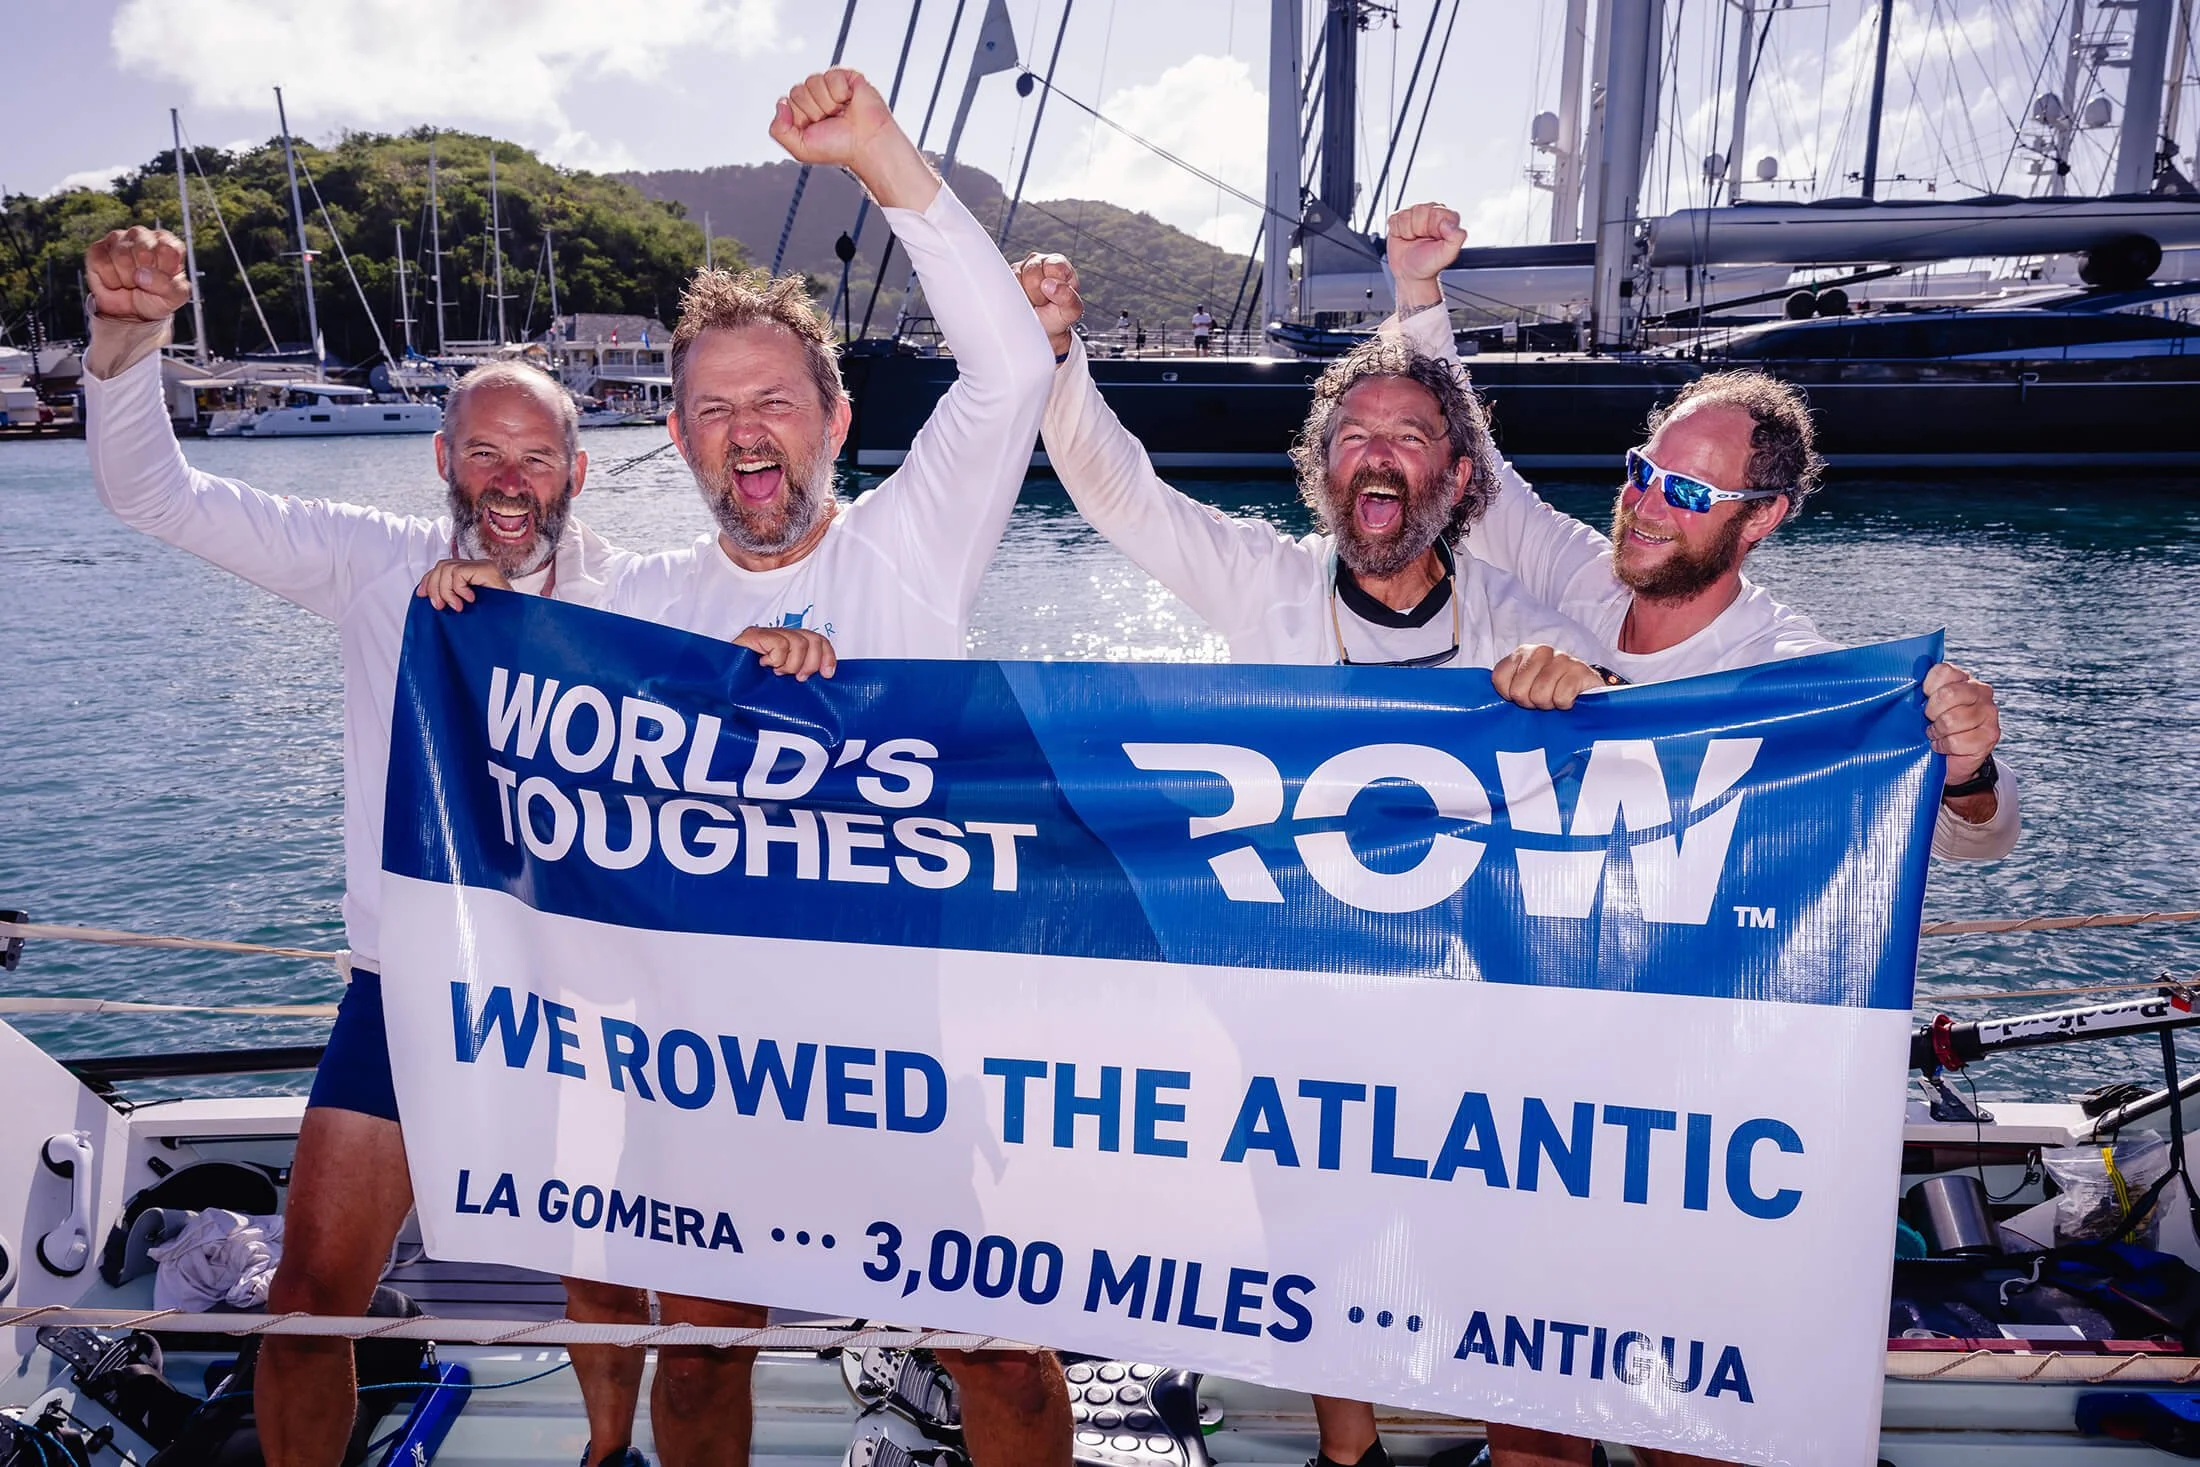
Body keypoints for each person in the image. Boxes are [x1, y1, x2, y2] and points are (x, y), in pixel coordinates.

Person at [76, 227, 826, 1467]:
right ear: (443, 458)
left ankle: (603, 1452)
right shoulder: (371, 566)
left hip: (592, 994)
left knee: (610, 1266)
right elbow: (155, 493)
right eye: (483, 450)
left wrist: (791, 645)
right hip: (410, 988)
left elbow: (778, 626)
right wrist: (126, 340)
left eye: (536, 455)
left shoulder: (635, 593)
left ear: (579, 470)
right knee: (310, 1302)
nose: (510, 476)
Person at [423, 67, 1071, 1467]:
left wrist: (883, 161)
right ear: (676, 439)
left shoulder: (908, 548)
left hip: (904, 1057)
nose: (746, 432)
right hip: (705, 1065)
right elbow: (517, 738)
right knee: (705, 1352)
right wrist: (463, 609)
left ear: (836, 420)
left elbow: (1013, 365)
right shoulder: (637, 606)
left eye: (773, 400)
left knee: (1005, 1357)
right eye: (713, 410)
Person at [1381, 204, 2015, 1467]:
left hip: (1700, 1122)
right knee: (1535, 1434)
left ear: (1760, 516)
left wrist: (1969, 765)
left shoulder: (1802, 675)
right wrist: (1415, 296)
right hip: (1536, 1109)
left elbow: (1971, 846)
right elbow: (1482, 482)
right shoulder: (1577, 587)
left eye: (1682, 490)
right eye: (1637, 468)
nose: (1642, 503)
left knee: (1695, 1441)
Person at [1018, 252, 1613, 1467]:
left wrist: (1585, 690)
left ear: (1453, 476)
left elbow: (1646, 743)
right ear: (1324, 468)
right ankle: (1350, 1453)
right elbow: (1121, 494)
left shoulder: (1520, 619)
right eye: (1353, 435)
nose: (1378, 453)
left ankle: (1535, 1449)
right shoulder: (1267, 587)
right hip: (1295, 1003)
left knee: (1502, 1258)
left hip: (1482, 1017)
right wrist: (1058, 355)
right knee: (1315, 1238)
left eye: (1408, 435)